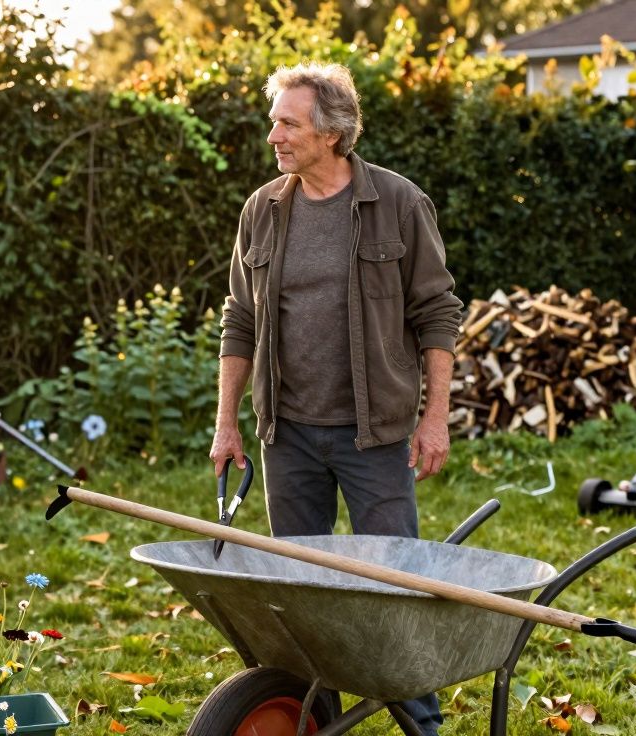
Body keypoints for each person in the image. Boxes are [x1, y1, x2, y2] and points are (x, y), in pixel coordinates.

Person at [209, 61, 462, 735]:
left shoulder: (399, 204)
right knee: (297, 599)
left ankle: (421, 724)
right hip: (286, 435)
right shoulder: (261, 209)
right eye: (275, 122)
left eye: (288, 123)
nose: (274, 137)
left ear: (333, 132)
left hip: (372, 437)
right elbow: (240, 318)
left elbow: (437, 313)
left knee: (392, 591)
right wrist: (226, 425)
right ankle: (304, 718)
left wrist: (434, 418)